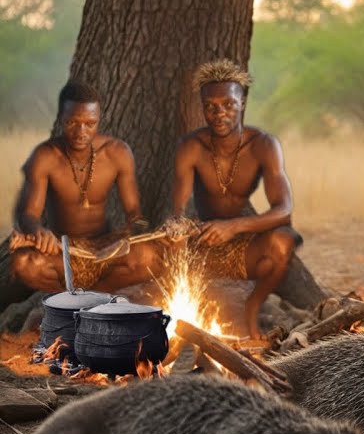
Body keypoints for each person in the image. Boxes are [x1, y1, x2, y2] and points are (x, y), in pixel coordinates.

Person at [170, 60, 299, 340]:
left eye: (228, 104)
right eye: (211, 107)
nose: (219, 114)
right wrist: (177, 225)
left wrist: (233, 227)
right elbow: (178, 209)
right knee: (162, 251)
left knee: (282, 242)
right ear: (202, 107)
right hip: (205, 246)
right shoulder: (192, 147)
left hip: (246, 244)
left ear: (242, 104)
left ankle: (252, 307)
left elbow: (284, 210)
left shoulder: (264, 145)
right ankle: (186, 321)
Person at [10, 82, 161, 292]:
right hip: (62, 252)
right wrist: (38, 231)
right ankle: (74, 297)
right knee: (23, 264)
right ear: (61, 119)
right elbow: (29, 213)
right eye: (73, 122)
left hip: (105, 249)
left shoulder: (117, 153)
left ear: (99, 120)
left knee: (150, 257)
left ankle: (92, 296)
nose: (81, 131)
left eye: (90, 123)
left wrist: (134, 232)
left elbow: (135, 214)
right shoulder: (46, 156)